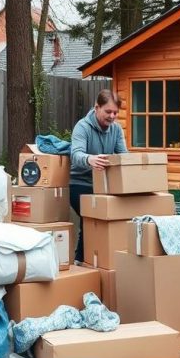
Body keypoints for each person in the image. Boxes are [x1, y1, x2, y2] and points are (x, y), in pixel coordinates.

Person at [69, 90, 128, 263]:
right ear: (97, 108)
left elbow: (123, 155)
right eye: (108, 112)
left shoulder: (116, 129)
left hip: (104, 185)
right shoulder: (82, 127)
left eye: (115, 113)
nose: (112, 116)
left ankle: (107, 260)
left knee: (114, 218)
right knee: (91, 218)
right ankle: (81, 261)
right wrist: (90, 159)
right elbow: (76, 155)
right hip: (79, 183)